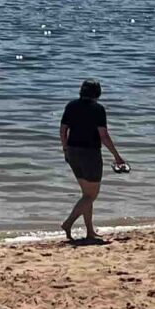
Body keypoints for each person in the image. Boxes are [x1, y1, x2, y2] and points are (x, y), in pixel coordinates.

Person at [59, 79, 128, 245]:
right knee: (91, 195)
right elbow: (103, 135)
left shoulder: (71, 106)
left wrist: (65, 149)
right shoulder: (98, 109)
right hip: (90, 153)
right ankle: (68, 223)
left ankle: (90, 231)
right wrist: (117, 156)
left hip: (73, 151)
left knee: (86, 195)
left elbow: (63, 130)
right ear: (98, 93)